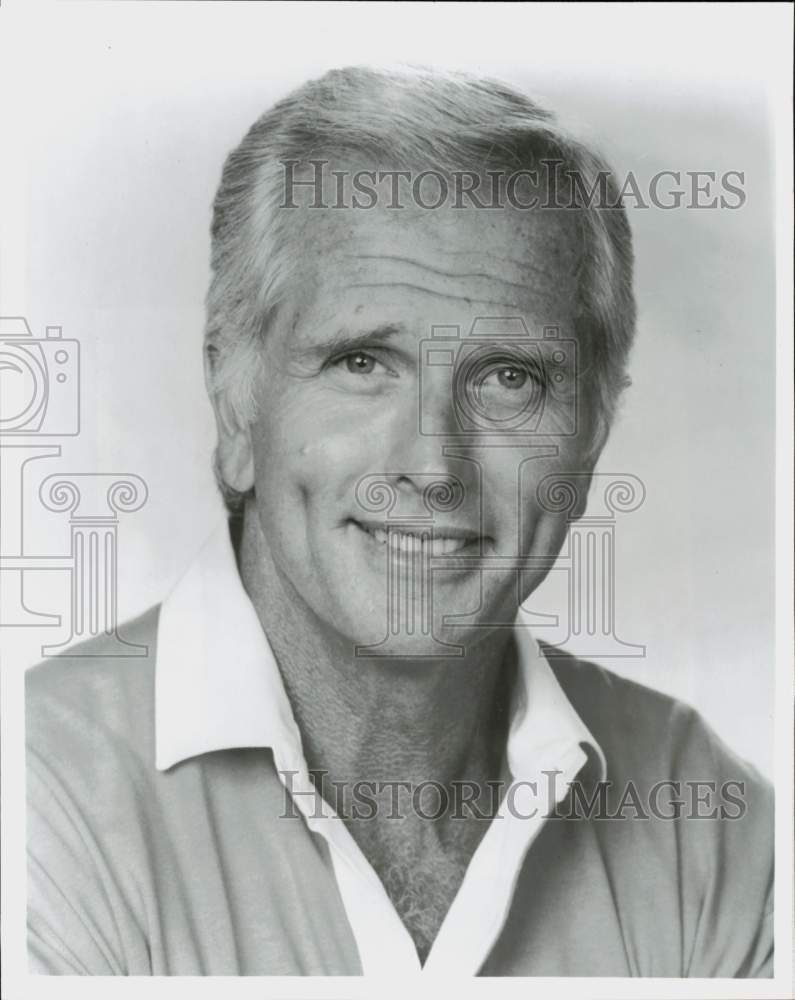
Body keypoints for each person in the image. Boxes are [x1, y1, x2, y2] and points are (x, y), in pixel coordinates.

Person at [26, 66, 773, 977]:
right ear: (235, 406)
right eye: (361, 363)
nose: (432, 467)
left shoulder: (706, 817)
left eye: (510, 379)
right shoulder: (32, 792)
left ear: (594, 431)